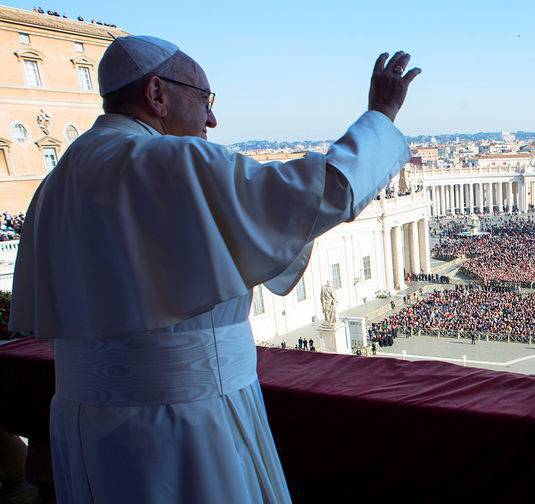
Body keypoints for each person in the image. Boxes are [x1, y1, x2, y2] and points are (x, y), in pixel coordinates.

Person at [9, 35, 421, 504]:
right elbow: (321, 194)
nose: (212, 118)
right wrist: (380, 118)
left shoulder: (56, 181)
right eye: (205, 100)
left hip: (84, 424)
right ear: (157, 94)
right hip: (183, 422)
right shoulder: (170, 161)